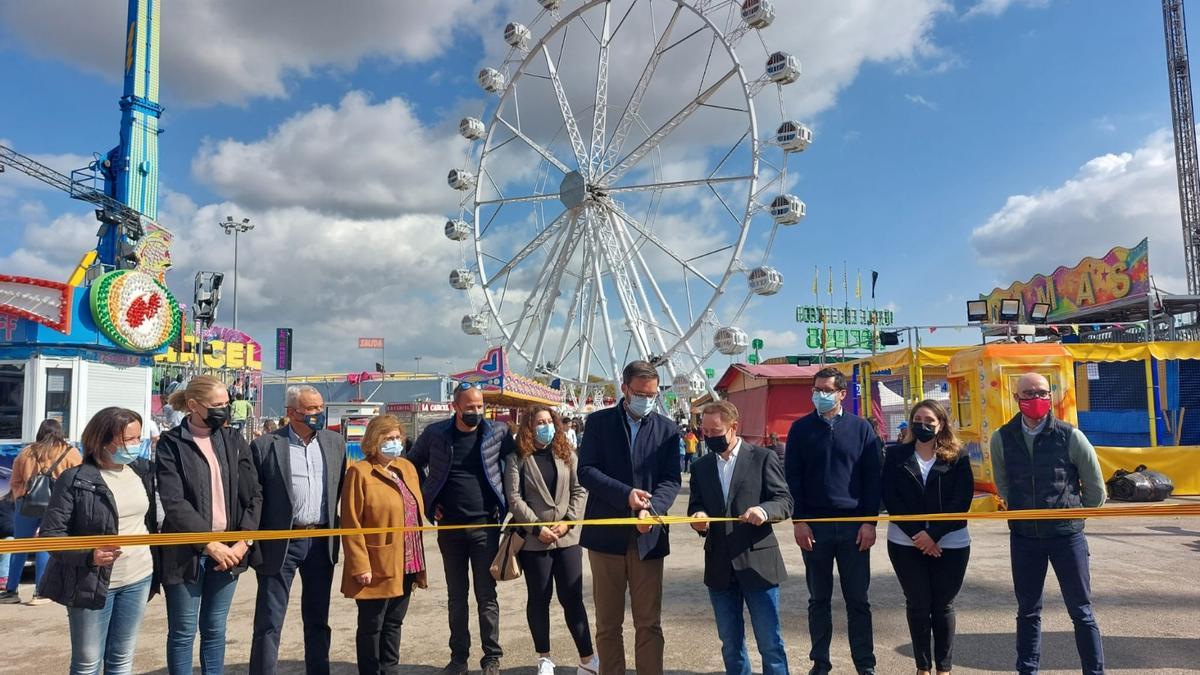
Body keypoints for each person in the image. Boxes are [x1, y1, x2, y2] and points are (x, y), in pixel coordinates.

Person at [990, 372, 1106, 675]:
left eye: (1041, 392)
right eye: (1027, 393)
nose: (1035, 399)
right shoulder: (1002, 438)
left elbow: (1096, 489)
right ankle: (1027, 670)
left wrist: (1074, 515)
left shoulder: (1070, 436)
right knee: (1028, 611)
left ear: (1050, 396)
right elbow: (1002, 485)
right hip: (1025, 538)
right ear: (1016, 399)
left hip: (1066, 537)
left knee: (1081, 612)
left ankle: (1094, 671)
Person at [578, 360, 682, 675]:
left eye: (652, 394)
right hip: (605, 537)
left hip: (648, 537)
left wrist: (653, 508)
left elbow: (671, 479)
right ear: (624, 389)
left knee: (649, 623)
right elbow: (587, 471)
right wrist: (626, 495)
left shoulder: (667, 429)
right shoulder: (598, 423)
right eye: (640, 393)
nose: (647, 399)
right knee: (608, 624)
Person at [406, 382, 514, 675]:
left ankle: (491, 657)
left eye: (480, 407)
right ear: (455, 407)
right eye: (470, 408)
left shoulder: (498, 433)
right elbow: (412, 464)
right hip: (450, 527)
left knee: (486, 596)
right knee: (457, 596)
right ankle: (459, 658)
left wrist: (504, 505)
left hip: (486, 527)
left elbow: (512, 468)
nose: (476, 412)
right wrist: (429, 502)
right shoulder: (435, 434)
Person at [40, 407, 158, 675]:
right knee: (87, 663)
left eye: (138, 438)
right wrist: (88, 554)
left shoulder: (141, 471)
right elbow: (51, 534)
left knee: (121, 660)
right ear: (103, 440)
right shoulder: (74, 479)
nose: (136, 445)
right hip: (91, 582)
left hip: (138, 578)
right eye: (130, 440)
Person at [157, 375, 262, 675]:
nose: (225, 410)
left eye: (227, 404)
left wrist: (244, 541)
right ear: (193, 406)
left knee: (215, 631)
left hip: (230, 553)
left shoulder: (233, 440)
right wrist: (209, 544)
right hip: (186, 553)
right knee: (183, 632)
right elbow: (174, 502)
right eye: (217, 405)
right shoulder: (171, 444)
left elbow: (254, 493)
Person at [786, 366, 883, 675]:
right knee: (818, 600)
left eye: (826, 390)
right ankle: (820, 662)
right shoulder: (800, 430)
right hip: (815, 529)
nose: (820, 395)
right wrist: (798, 522)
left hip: (855, 528)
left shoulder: (862, 429)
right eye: (816, 389)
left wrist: (870, 523)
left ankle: (865, 665)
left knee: (858, 600)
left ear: (842, 393)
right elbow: (793, 480)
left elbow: (873, 479)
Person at [688, 401, 793, 675]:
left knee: (770, 643)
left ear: (734, 427)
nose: (710, 436)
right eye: (705, 431)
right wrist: (698, 518)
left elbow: (784, 501)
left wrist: (763, 510)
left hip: (758, 563)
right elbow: (695, 504)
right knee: (730, 644)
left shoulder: (762, 457)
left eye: (716, 430)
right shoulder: (700, 467)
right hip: (719, 567)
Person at [249, 385, 347, 675]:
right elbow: (256, 496)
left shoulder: (334, 443)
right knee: (269, 619)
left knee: (318, 618)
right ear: (291, 412)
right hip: (282, 542)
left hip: (320, 541)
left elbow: (338, 486)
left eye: (319, 407)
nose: (318, 413)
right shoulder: (266, 445)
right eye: (310, 409)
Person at [883, 400, 974, 675]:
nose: (922, 425)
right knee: (918, 603)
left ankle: (944, 668)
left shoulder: (957, 456)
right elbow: (891, 498)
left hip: (951, 541)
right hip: (904, 542)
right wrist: (918, 536)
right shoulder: (896, 455)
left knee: (943, 605)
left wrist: (933, 534)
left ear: (941, 424)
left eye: (929, 420)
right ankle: (923, 666)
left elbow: (962, 500)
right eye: (917, 419)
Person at [504, 406, 597, 675]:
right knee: (539, 598)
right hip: (535, 542)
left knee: (572, 597)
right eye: (539, 422)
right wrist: (536, 527)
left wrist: (568, 520)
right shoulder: (517, 458)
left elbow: (579, 489)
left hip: (567, 539)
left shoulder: (567, 454)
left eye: (549, 421)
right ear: (529, 427)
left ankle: (588, 659)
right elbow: (514, 497)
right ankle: (544, 657)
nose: (546, 426)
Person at [341, 414, 427, 675]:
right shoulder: (359, 472)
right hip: (376, 563)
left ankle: (390, 670)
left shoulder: (407, 468)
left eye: (397, 438)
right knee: (372, 625)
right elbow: (351, 522)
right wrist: (360, 565)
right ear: (374, 440)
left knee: (394, 622)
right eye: (387, 438)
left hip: (408, 560)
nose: (394, 442)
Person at [1, 418, 82, 605]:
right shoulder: (70, 453)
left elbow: (15, 481)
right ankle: (41, 592)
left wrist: (23, 494)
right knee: (45, 545)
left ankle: (11, 591)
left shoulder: (26, 452)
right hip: (56, 506)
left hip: (26, 504)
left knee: (18, 546)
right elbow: (79, 479)